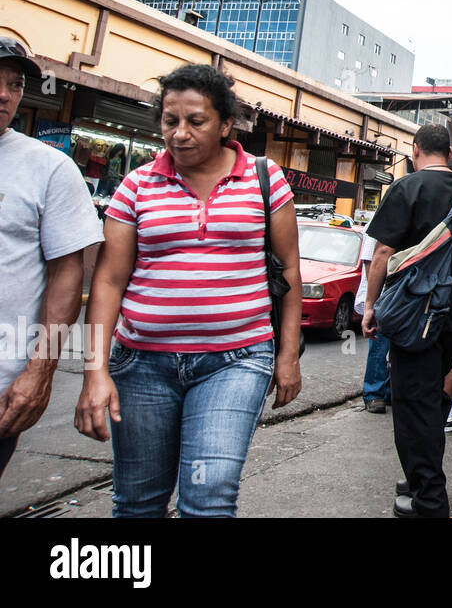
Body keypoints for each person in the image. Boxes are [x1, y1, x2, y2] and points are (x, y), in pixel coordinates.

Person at [74, 63, 303, 516]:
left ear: (224, 124)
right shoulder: (137, 185)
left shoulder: (264, 178)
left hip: (235, 361)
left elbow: (290, 271)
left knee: (210, 494)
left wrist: (288, 356)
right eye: (169, 120)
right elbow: (108, 280)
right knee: (138, 501)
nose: (179, 133)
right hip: (141, 365)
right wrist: (94, 371)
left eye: (195, 121)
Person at [362, 124, 452, 518]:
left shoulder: (406, 188)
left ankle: (430, 500)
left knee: (411, 403)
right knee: (431, 399)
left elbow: (383, 251)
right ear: (450, 152)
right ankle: (418, 479)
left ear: (416, 150)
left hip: (416, 313)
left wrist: (370, 305)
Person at [0, 38, 102, 482]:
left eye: (15, 85)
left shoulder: (49, 168)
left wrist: (40, 371)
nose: (5, 94)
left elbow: (68, 273)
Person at [355, 225, 390, 413]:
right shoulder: (376, 225)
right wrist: (373, 301)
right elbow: (371, 263)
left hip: (397, 298)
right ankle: (374, 393)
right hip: (382, 297)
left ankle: (388, 390)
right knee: (379, 346)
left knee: (396, 347)